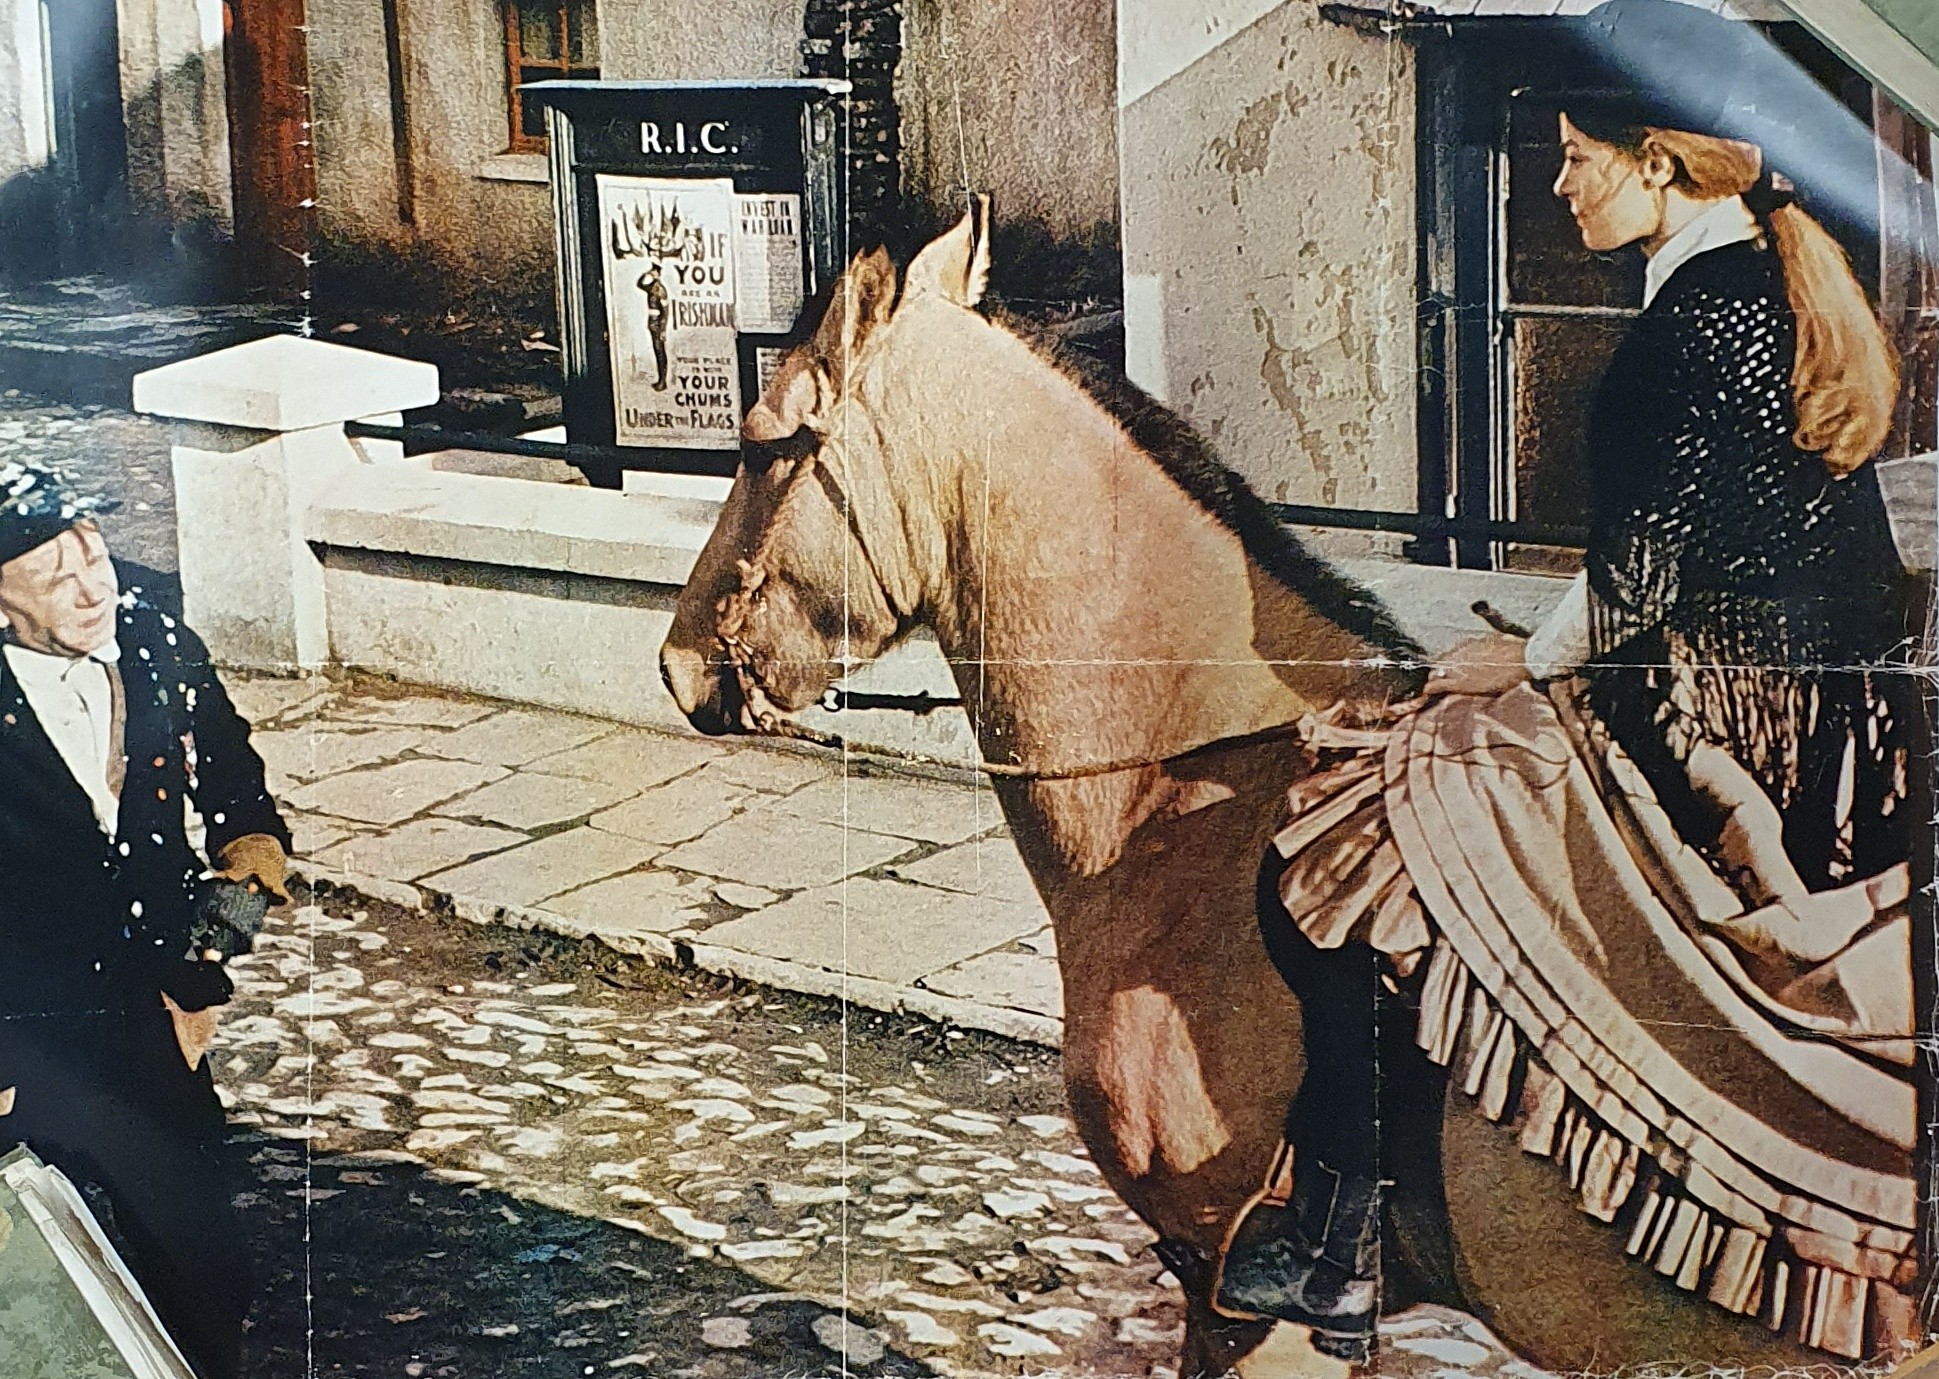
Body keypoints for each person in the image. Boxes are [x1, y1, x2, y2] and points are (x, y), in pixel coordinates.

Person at [1214, 0, 1918, 1361]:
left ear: (1657, 164)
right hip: (1837, 725)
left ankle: (1342, 1245)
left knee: (1347, 850)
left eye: (1576, 158)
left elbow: (1631, 598)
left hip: (1716, 728)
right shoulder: (1775, 284)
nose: (1555, 185)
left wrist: (1517, 657)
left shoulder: (1679, 336)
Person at [0, 461, 291, 1379]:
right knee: (25, 1283)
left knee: (204, 1266)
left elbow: (240, 793)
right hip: (20, 1025)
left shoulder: (156, 639)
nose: (93, 589)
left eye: (94, 556)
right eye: (56, 576)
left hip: (150, 1012)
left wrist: (229, 914)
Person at [639, 260, 671, 390]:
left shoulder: (661, 290)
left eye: (654, 271)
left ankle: (663, 381)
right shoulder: (651, 287)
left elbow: (666, 311)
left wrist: (663, 329)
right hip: (652, 322)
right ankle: (661, 379)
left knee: (660, 351)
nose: (653, 273)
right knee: (656, 350)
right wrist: (646, 274)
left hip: (657, 322)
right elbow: (640, 284)